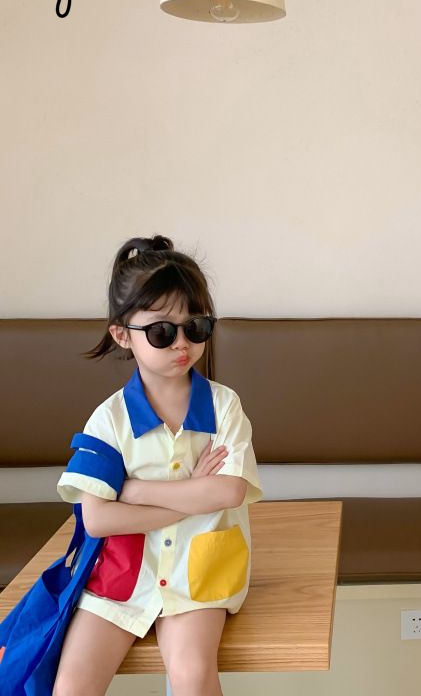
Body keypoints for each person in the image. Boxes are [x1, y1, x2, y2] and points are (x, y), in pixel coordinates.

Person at [53, 236, 262, 696]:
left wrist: (135, 491)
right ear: (121, 335)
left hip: (200, 576)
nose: (182, 344)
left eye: (196, 327)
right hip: (121, 576)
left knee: (192, 676)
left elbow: (229, 492)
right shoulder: (108, 419)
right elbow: (98, 519)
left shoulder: (224, 406)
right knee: (70, 686)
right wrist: (192, 494)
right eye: (163, 332)